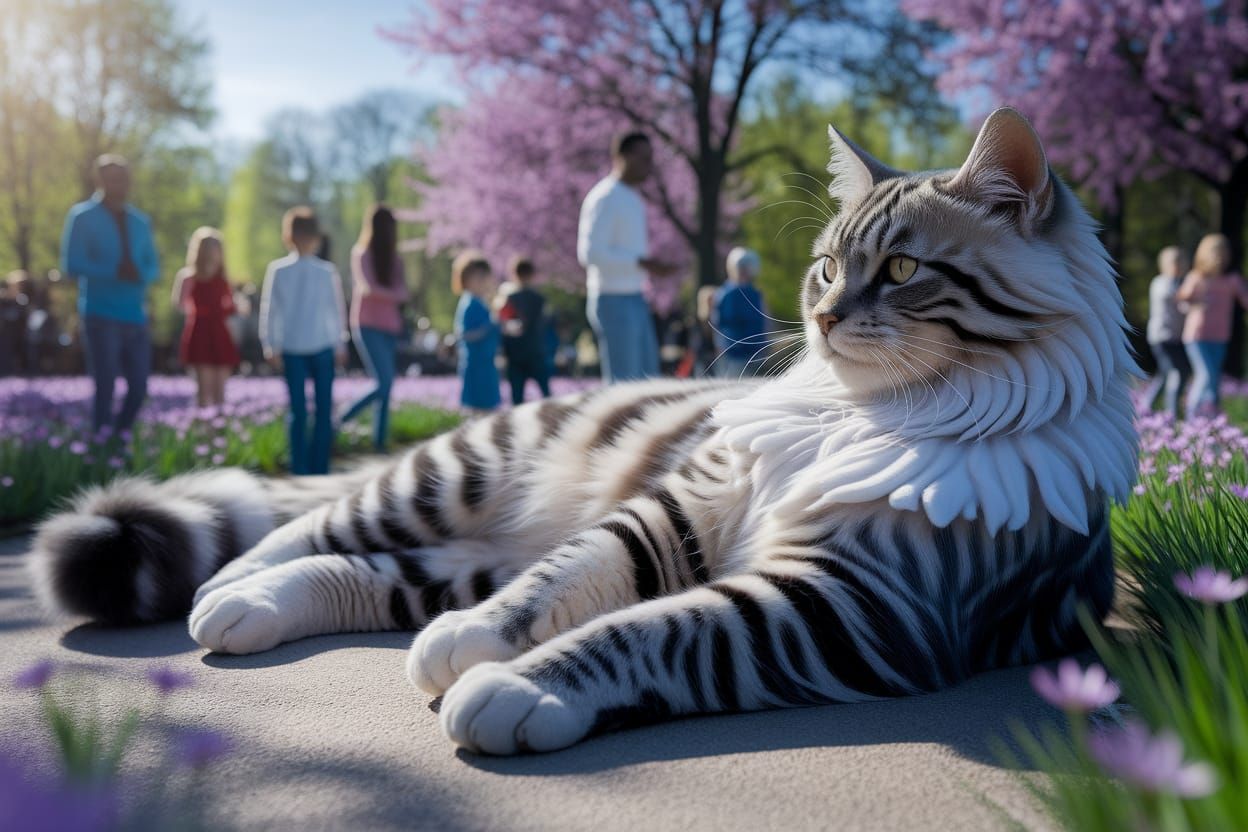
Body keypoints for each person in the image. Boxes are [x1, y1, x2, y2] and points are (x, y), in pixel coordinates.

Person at [60, 154, 159, 434]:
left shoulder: (140, 221)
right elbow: (71, 264)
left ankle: (117, 436)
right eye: (114, 179)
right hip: (100, 313)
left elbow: (154, 266)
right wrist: (113, 270)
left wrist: (139, 272)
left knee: (139, 386)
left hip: (134, 314)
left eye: (125, 179)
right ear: (100, 180)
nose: (120, 185)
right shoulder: (82, 216)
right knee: (105, 384)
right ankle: (100, 444)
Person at [577, 131, 675, 383]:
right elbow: (589, 254)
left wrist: (646, 265)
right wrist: (640, 263)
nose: (649, 165)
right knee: (624, 388)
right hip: (612, 299)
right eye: (644, 158)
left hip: (634, 297)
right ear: (621, 157)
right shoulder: (605, 197)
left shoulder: (632, 198)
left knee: (647, 384)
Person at [260, 207, 347, 475]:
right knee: (298, 411)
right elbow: (270, 308)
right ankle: (300, 467)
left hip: (322, 347)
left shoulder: (326, 272)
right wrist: (269, 342)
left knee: (322, 411)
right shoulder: (278, 270)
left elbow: (335, 310)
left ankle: (319, 467)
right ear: (290, 236)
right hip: (293, 348)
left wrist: (340, 342)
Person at [338, 205, 408, 450]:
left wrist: (389, 294)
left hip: (390, 326)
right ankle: (341, 419)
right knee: (384, 382)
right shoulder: (362, 254)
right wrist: (393, 294)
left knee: (386, 387)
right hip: (367, 325)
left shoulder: (395, 260)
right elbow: (369, 287)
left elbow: (403, 292)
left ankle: (379, 441)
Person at [1176, 233, 1248, 416]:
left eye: (1224, 253)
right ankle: (1191, 415)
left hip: (1220, 336)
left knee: (1214, 378)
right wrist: (1194, 302)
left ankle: (1212, 417)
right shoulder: (1197, 278)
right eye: (1217, 253)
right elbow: (1181, 299)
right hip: (1197, 336)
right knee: (1205, 375)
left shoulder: (1231, 280)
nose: (1220, 258)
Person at [172, 227, 239, 409]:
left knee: (220, 393)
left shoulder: (223, 278)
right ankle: (205, 431)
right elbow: (179, 304)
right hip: (200, 331)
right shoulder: (188, 277)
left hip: (219, 332)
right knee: (204, 390)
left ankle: (219, 432)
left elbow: (231, 306)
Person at [1142, 246, 1192, 417]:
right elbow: (1176, 297)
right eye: (1174, 261)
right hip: (1161, 337)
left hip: (1177, 337)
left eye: (1181, 261)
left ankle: (1146, 405)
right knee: (1176, 372)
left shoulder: (1182, 282)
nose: (1178, 265)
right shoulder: (1160, 282)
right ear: (1163, 264)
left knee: (1166, 374)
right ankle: (1172, 412)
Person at [452, 250, 501, 413]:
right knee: (477, 411)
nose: (484, 282)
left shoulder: (481, 302)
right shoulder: (469, 303)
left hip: (487, 364)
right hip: (475, 365)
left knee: (488, 410)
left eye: (485, 277)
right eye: (479, 277)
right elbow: (464, 334)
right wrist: (489, 327)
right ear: (466, 279)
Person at [499, 256, 551, 404]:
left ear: (514, 274)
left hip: (515, 355)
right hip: (536, 351)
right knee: (546, 394)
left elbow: (504, 324)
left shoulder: (509, 299)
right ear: (532, 275)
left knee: (517, 399)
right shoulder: (540, 299)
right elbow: (546, 324)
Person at [711, 247, 769, 378]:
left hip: (756, 352)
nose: (744, 271)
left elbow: (764, 320)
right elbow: (718, 323)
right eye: (742, 267)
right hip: (733, 353)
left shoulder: (755, 294)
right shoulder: (726, 294)